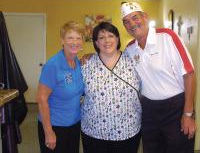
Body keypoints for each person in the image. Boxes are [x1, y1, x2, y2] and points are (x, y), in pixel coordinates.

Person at [121, 2, 197, 153]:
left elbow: (189, 74)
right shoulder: (129, 49)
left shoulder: (167, 37)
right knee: (151, 148)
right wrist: (92, 56)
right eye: (126, 21)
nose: (131, 24)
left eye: (135, 18)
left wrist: (188, 114)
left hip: (176, 106)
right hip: (149, 108)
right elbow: (113, 59)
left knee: (180, 148)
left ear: (145, 18)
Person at [80, 22, 142, 153]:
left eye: (111, 36)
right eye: (101, 37)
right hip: (94, 132)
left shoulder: (133, 61)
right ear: (96, 42)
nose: (107, 40)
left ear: (117, 39)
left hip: (127, 131)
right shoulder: (86, 64)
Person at [36, 21, 85, 153]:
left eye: (78, 38)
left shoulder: (78, 63)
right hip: (54, 126)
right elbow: (41, 99)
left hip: (74, 124)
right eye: (70, 37)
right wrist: (48, 132)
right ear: (62, 40)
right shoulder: (53, 65)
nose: (75, 42)